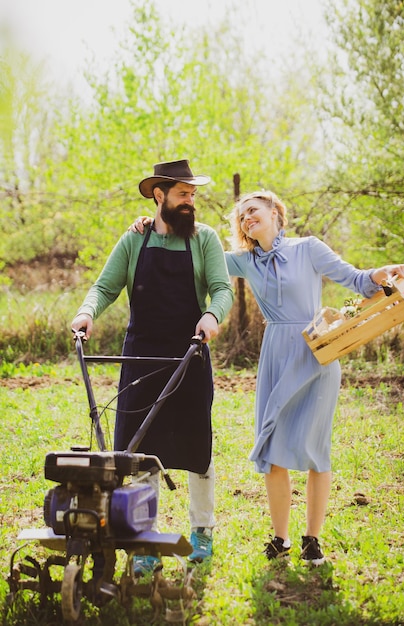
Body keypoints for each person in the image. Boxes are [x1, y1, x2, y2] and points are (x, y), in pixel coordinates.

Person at [130, 189, 404, 566]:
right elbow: (198, 256)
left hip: (316, 352)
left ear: (276, 212)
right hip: (276, 354)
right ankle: (281, 537)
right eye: (242, 215)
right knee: (273, 449)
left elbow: (356, 279)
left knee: (315, 451)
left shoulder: (309, 248)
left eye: (253, 210)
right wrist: (154, 227)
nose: (246, 218)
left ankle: (313, 539)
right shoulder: (245, 262)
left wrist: (381, 273)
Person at [71, 159, 233, 573]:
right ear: (159, 196)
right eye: (182, 194)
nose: (190, 201)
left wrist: (211, 317)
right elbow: (105, 286)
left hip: (190, 353)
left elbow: (220, 289)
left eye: (193, 194)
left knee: (198, 445)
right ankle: (143, 538)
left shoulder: (205, 239)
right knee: (139, 451)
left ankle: (202, 531)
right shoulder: (133, 241)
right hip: (140, 355)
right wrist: (87, 313)